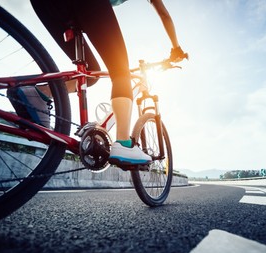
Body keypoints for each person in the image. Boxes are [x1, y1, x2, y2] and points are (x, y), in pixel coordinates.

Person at [29, 0, 187, 166]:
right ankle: (124, 143)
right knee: (120, 71)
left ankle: (38, 93)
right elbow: (164, 14)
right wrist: (176, 49)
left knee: (91, 73)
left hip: (46, 6)